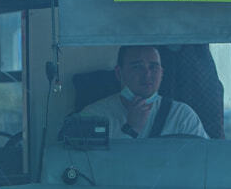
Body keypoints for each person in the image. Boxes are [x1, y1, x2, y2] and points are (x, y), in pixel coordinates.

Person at [80, 45, 208, 139]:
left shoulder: (182, 116)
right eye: (137, 67)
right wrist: (131, 129)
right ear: (119, 73)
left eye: (153, 67)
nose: (147, 74)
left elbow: (203, 161)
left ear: (162, 72)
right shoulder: (93, 117)